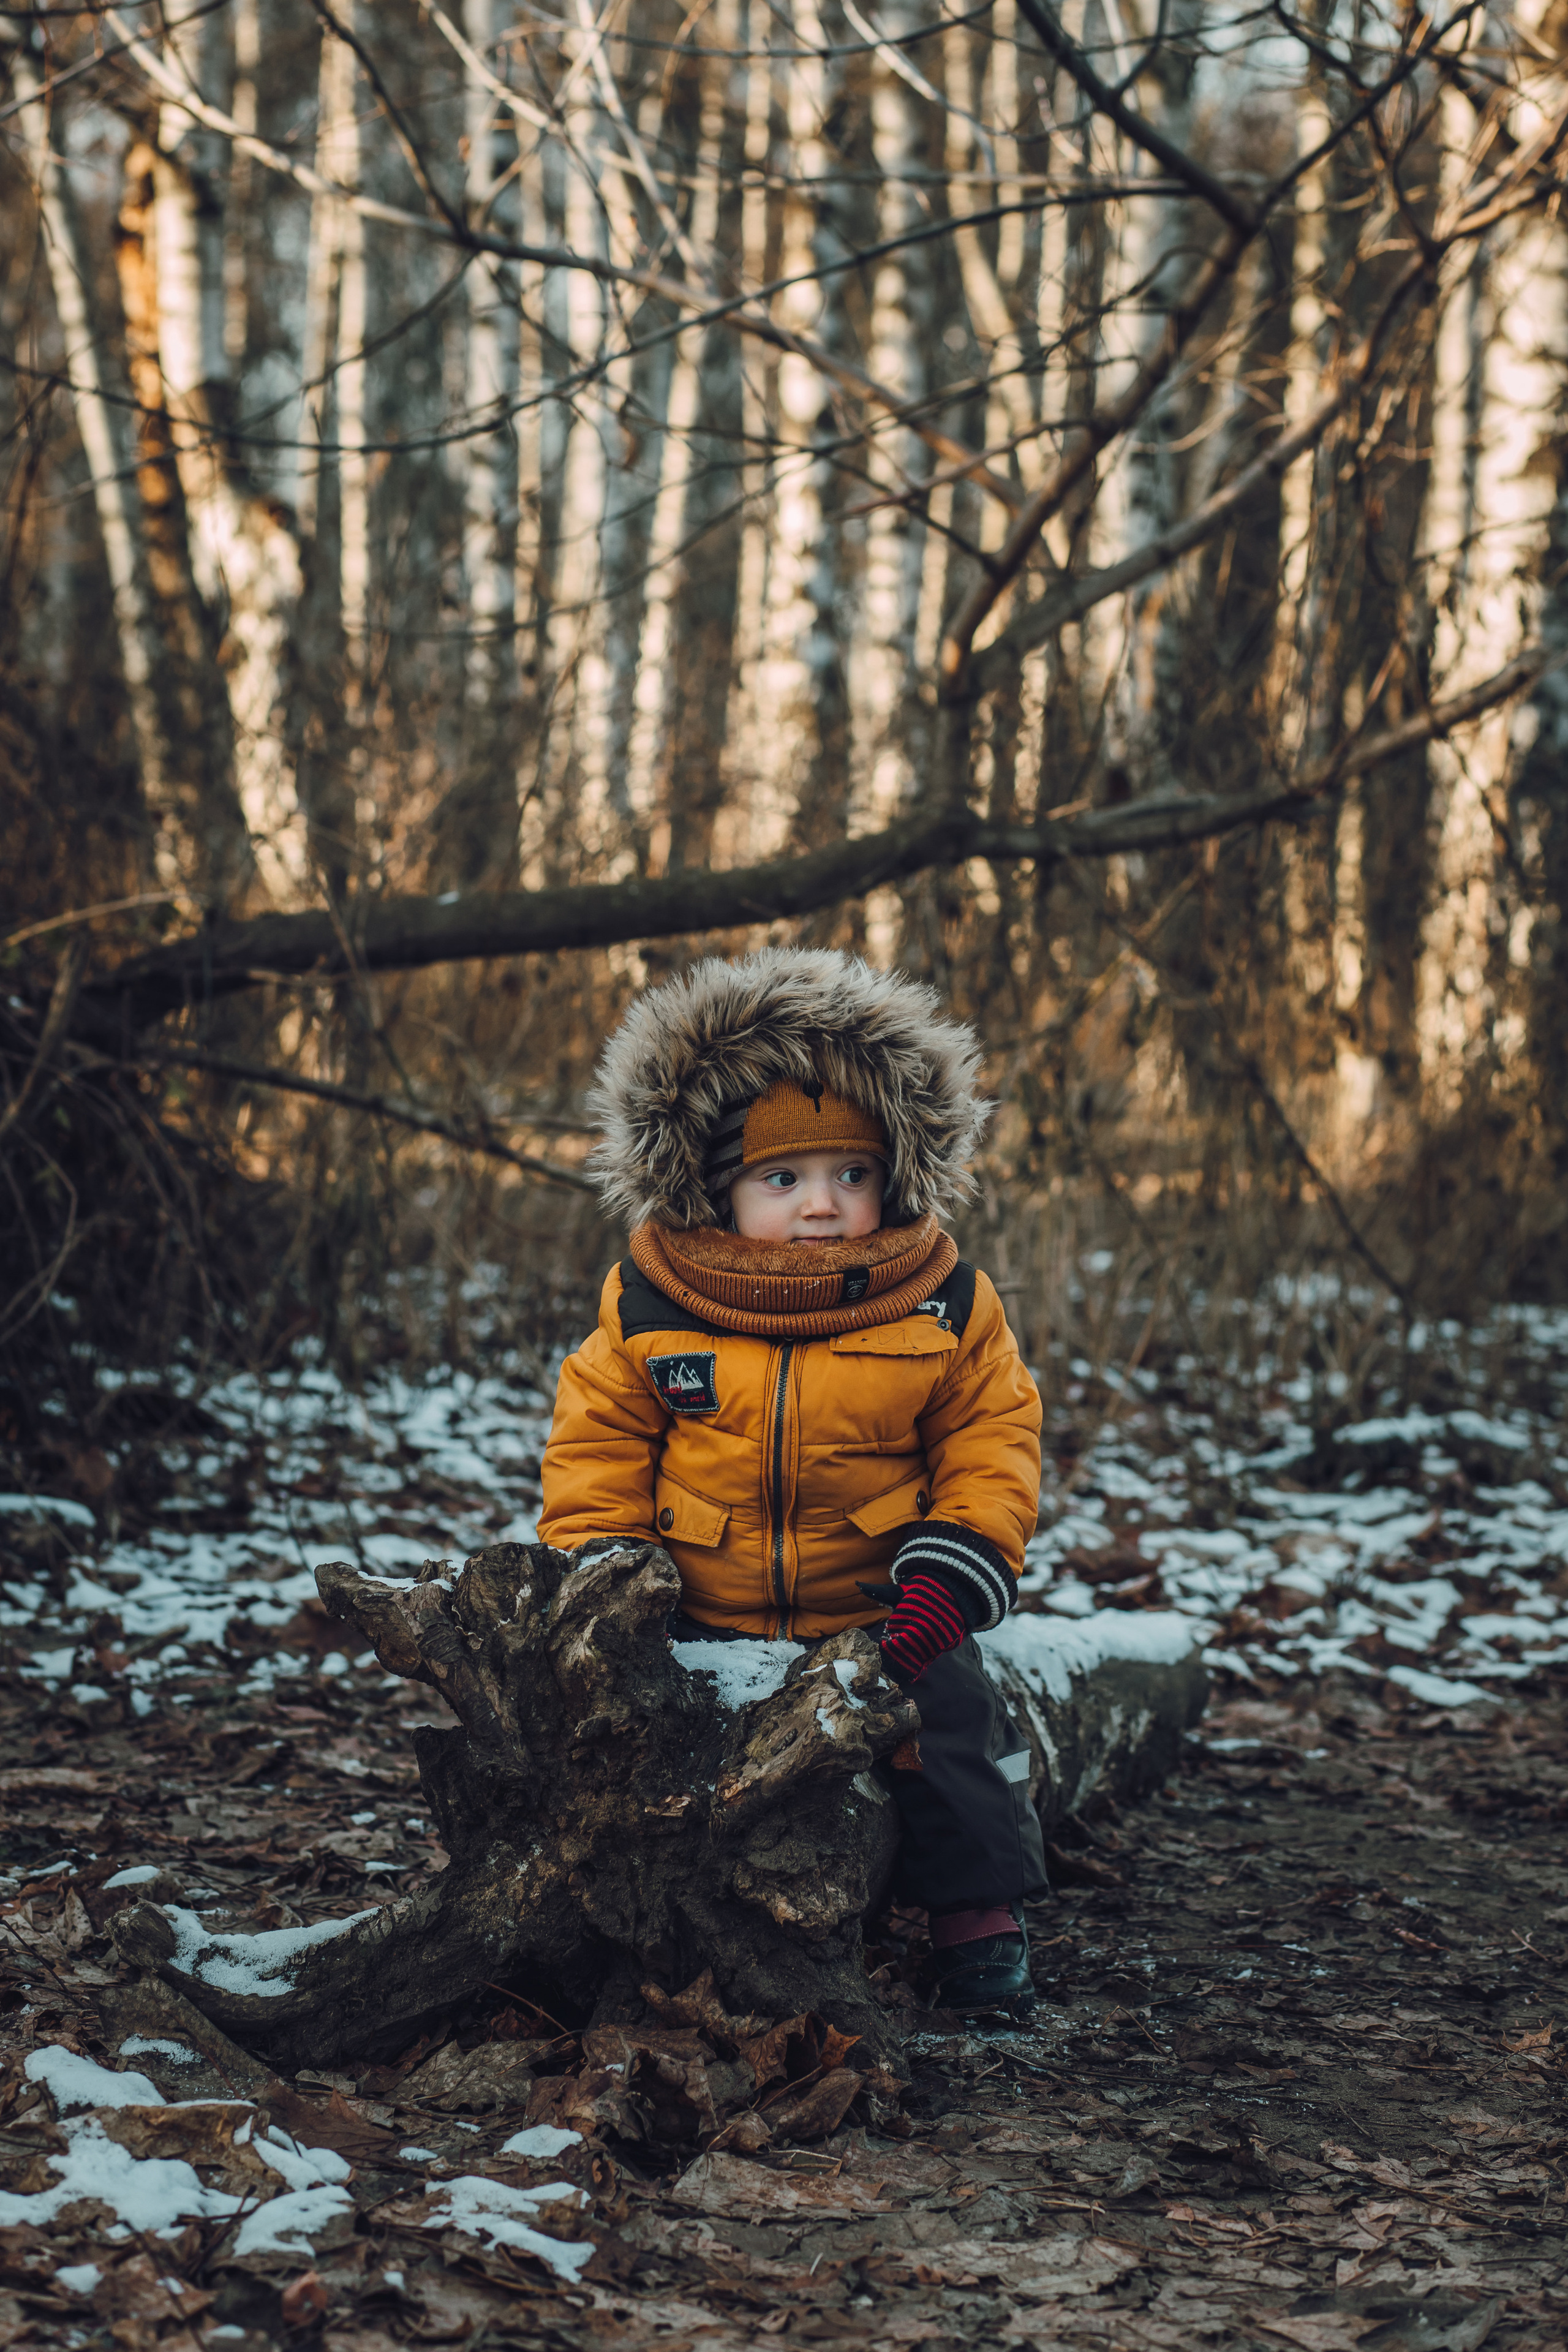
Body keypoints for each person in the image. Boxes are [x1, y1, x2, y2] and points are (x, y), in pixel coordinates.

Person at [538, 945, 1048, 2018]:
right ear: (717, 1188)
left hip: (882, 1610)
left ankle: (977, 1920)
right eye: (784, 1180)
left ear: (894, 1175)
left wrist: (956, 1566)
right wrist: (602, 1572)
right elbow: (599, 1443)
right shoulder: (655, 1299)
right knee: (642, 1756)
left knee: (955, 1732)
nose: (822, 1206)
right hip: (701, 1608)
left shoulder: (940, 1298)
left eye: (850, 1176)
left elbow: (991, 1434)